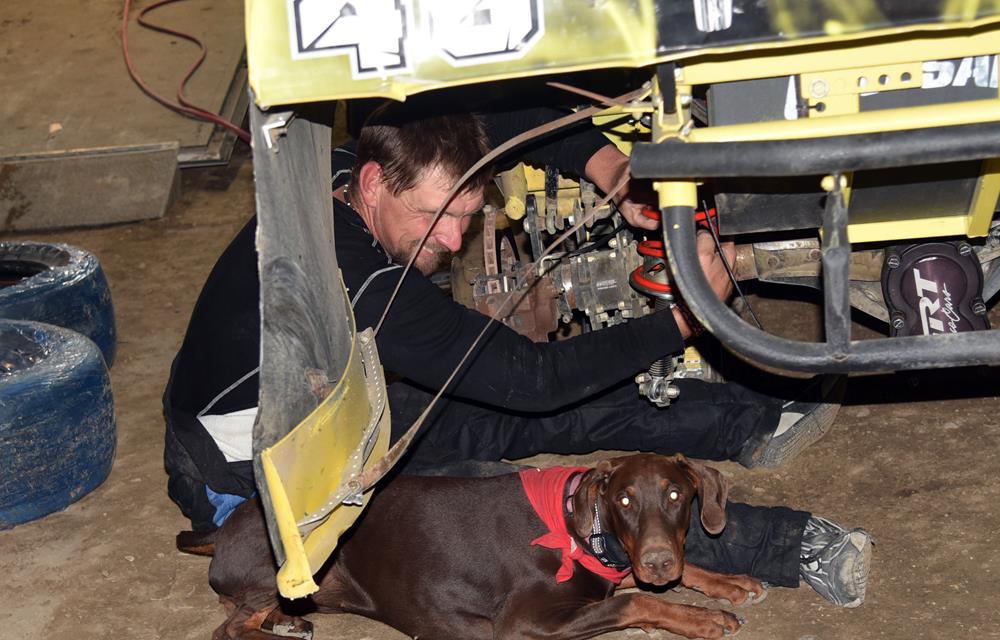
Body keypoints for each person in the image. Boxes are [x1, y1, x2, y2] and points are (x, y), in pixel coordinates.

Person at [164, 103, 872, 608]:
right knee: (521, 515)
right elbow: (533, 378)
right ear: (379, 188)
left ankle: (739, 422)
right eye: (438, 219)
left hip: (341, 398)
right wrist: (683, 320)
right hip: (264, 464)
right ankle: (789, 546)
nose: (451, 242)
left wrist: (611, 167)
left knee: (539, 419)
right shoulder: (366, 280)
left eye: (469, 218)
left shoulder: (357, 163)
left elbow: (498, 120)